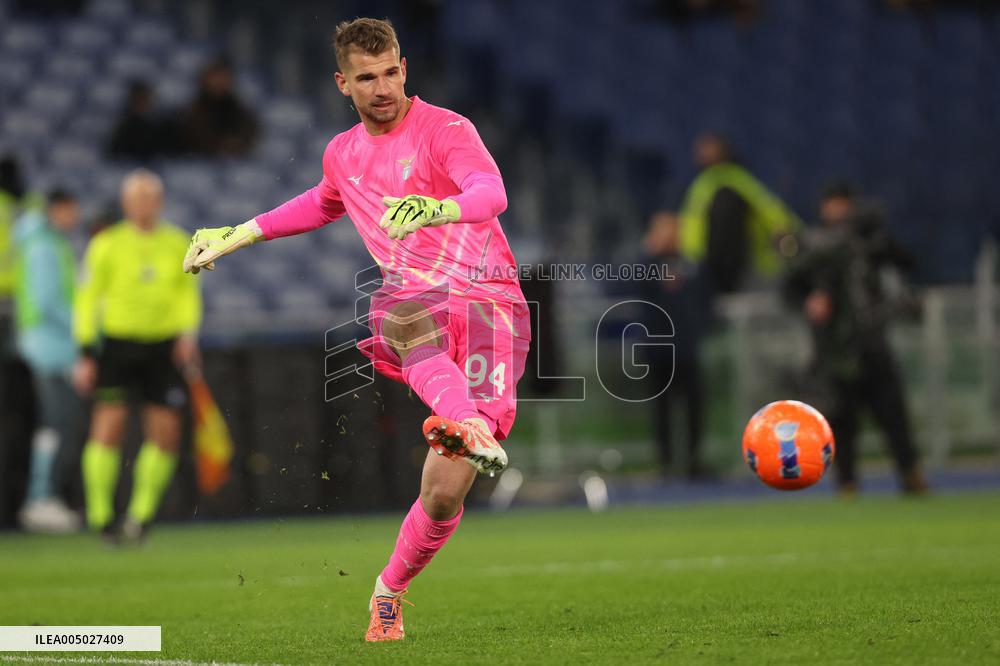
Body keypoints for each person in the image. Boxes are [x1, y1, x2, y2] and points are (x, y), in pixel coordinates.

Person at [183, 18, 530, 642]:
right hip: (416, 297)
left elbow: (492, 191)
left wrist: (437, 206)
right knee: (397, 311)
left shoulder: (446, 129)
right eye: (366, 78)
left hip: (488, 307)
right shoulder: (343, 153)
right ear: (343, 83)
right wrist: (238, 234)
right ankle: (466, 420)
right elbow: (321, 201)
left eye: (391, 72)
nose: (382, 87)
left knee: (447, 493)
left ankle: (388, 589)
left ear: (405, 68)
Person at [74, 169, 201, 542]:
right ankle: (100, 518)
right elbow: (86, 298)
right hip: (118, 344)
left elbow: (187, 294)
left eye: (151, 198)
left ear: (159, 203)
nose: (144, 205)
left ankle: (140, 517)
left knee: (165, 435)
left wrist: (188, 335)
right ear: (126, 203)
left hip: (162, 346)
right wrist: (85, 349)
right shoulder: (107, 244)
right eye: (138, 198)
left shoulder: (178, 241)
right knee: (108, 428)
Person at [783, 182, 927, 495]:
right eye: (833, 203)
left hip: (872, 343)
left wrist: (878, 241)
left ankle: (911, 475)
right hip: (834, 349)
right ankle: (847, 484)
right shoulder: (817, 245)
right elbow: (791, 285)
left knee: (893, 415)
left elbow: (907, 261)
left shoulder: (868, 243)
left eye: (844, 203)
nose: (839, 210)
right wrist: (810, 299)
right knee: (841, 420)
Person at [13, 188, 84, 532]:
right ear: (59, 209)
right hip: (51, 348)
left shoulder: (44, 242)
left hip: (50, 346)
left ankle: (44, 496)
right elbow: (45, 303)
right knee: (57, 423)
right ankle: (40, 498)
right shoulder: (43, 247)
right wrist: (82, 327)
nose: (76, 217)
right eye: (72, 209)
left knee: (57, 423)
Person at [675, 132, 801, 293]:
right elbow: (692, 224)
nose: (702, 153)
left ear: (723, 150)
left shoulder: (736, 179)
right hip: (705, 269)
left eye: (709, 147)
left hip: (747, 269)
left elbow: (770, 210)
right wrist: (690, 258)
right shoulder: (702, 183)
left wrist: (789, 230)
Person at [640, 212, 712, 479]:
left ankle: (694, 460)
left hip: (686, 348)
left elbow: (706, 301)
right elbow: (633, 288)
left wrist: (699, 330)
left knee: (694, 407)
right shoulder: (646, 265)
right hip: (658, 350)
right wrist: (648, 252)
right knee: (661, 409)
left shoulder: (692, 264)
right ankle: (666, 463)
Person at [182, 58, 259, 157]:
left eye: (223, 78)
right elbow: (191, 135)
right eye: (215, 78)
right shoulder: (195, 109)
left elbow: (249, 133)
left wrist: (235, 143)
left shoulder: (238, 109)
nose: (218, 82)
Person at [107, 80, 178, 161]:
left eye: (147, 99)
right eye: (140, 100)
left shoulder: (162, 126)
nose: (144, 104)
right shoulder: (124, 130)